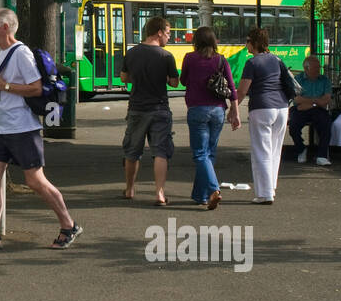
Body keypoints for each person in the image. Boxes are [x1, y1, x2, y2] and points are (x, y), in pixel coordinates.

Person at [0, 7, 81, 251]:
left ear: (5, 27)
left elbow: (37, 88)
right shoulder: (2, 53)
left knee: (35, 180)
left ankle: (69, 225)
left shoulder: (21, 54)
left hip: (22, 128)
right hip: (4, 128)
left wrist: (4, 85)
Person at [120, 16, 180, 206]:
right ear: (159, 32)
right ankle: (160, 193)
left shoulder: (131, 53)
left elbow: (124, 78)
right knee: (160, 152)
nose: (169, 38)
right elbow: (174, 82)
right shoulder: (166, 56)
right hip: (160, 108)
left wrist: (138, 78)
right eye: (168, 33)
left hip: (137, 108)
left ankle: (129, 189)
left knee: (132, 151)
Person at [179, 26, 241, 209]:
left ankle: (214, 190)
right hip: (218, 111)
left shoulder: (190, 58)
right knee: (209, 153)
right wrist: (235, 112)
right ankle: (201, 195)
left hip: (197, 110)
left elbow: (183, 81)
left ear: (196, 41)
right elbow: (231, 87)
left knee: (200, 153)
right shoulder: (221, 60)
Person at [235, 27, 292, 204]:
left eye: (247, 42)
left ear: (253, 43)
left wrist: (233, 108)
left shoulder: (252, 63)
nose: (246, 46)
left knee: (261, 151)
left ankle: (265, 193)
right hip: (282, 107)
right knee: (275, 150)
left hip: (261, 107)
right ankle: (271, 187)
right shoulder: (276, 59)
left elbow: (243, 90)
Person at [289, 55, 332, 165]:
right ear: (306, 68)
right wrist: (316, 101)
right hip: (300, 109)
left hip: (317, 109)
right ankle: (301, 149)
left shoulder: (325, 80)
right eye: (315, 68)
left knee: (326, 124)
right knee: (293, 126)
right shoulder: (297, 80)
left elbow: (326, 100)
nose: (318, 70)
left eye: (319, 67)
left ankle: (322, 155)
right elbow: (296, 99)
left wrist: (311, 103)